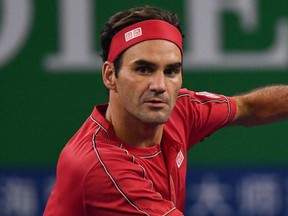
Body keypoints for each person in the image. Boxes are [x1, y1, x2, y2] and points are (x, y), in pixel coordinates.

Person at [43, 6, 288, 216]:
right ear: (110, 75)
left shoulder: (181, 110)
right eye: (143, 69)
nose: (160, 86)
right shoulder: (100, 167)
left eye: (171, 71)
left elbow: (250, 107)